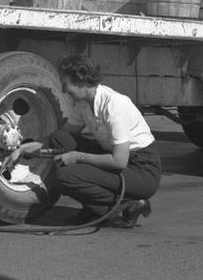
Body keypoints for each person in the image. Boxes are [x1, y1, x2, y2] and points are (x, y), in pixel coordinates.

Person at [46, 52, 161, 226]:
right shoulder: (83, 103)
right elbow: (64, 136)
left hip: (140, 169)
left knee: (65, 176)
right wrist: (28, 148)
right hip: (115, 157)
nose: (63, 90)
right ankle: (96, 205)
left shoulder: (114, 104)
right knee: (59, 138)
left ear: (81, 80)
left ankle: (130, 204)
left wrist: (77, 157)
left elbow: (119, 161)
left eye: (65, 84)